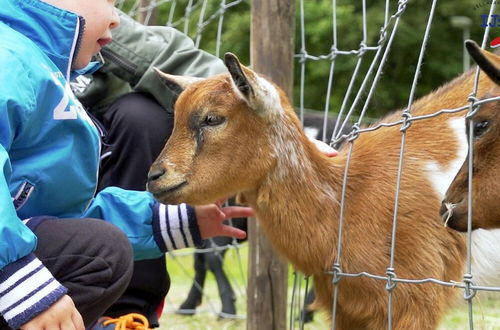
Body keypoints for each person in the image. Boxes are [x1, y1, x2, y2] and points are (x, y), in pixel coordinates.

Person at [0, 1, 254, 329]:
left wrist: (171, 220)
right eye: (108, 2)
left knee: (98, 252)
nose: (117, 19)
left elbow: (58, 220)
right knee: (100, 252)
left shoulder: (46, 70)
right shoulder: (10, 60)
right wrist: (17, 278)